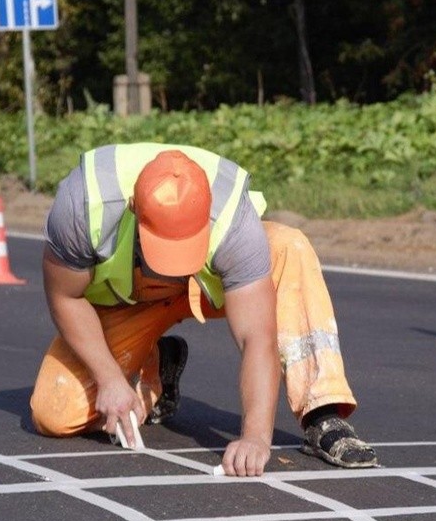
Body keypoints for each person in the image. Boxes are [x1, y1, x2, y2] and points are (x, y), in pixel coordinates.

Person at [30, 142, 378, 477]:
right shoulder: (84, 204)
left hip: (206, 286)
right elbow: (65, 298)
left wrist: (255, 437)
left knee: (289, 247)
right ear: (135, 207)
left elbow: (257, 336)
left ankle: (323, 411)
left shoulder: (232, 220)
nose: (174, 263)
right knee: (54, 413)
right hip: (130, 301)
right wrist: (108, 379)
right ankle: (151, 367)